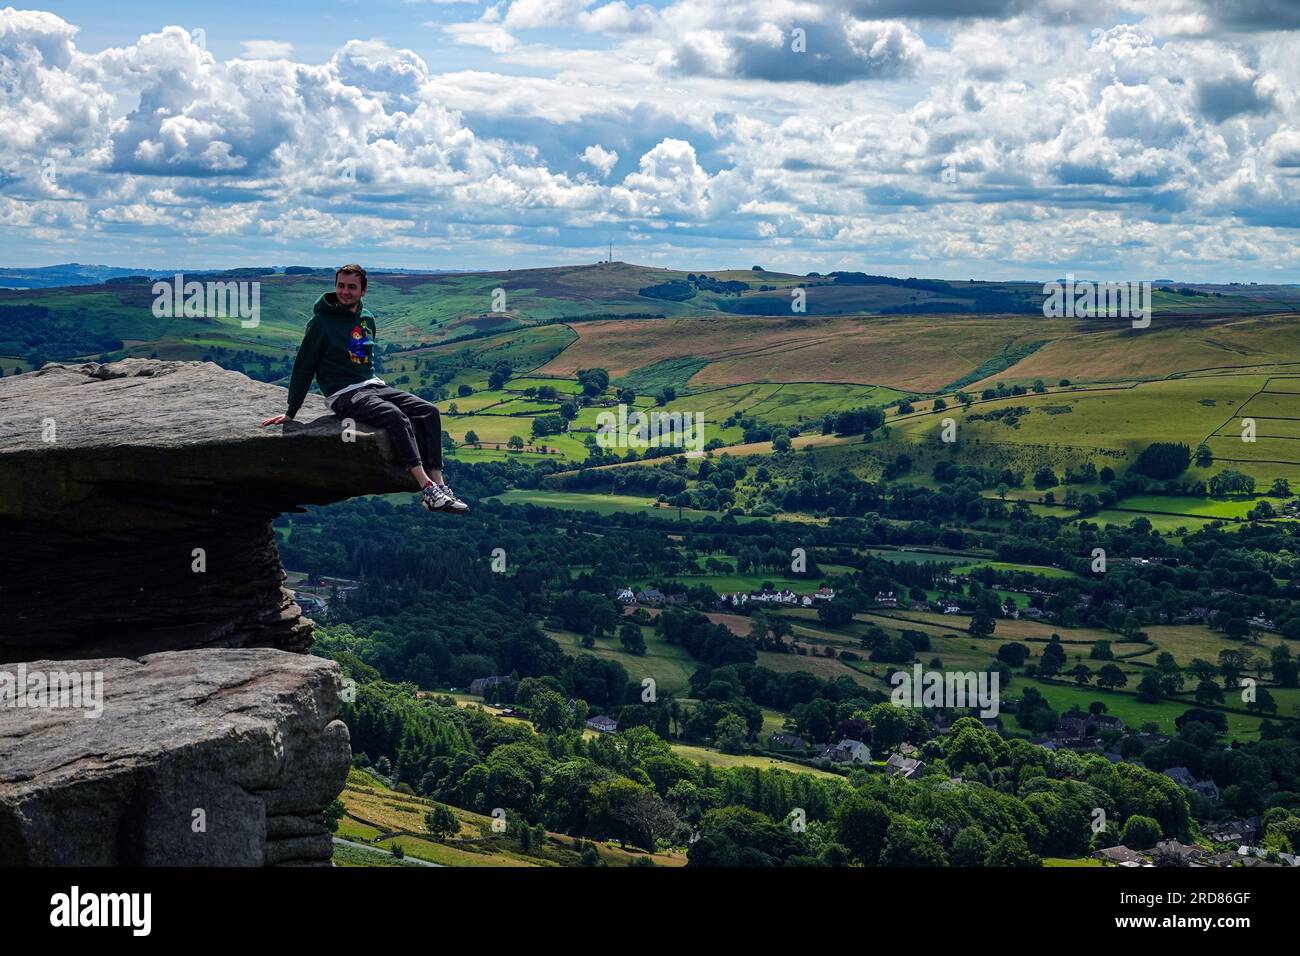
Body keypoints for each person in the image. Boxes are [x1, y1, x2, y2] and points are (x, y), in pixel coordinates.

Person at [261, 263, 468, 513]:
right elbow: (304, 367)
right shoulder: (320, 323)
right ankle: (427, 488)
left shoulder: (367, 317)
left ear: (363, 291)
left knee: (429, 411)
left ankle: (440, 485)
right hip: (344, 394)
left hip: (372, 385)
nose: (345, 292)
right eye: (340, 286)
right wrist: (292, 411)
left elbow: (365, 356)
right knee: (395, 417)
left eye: (351, 287)